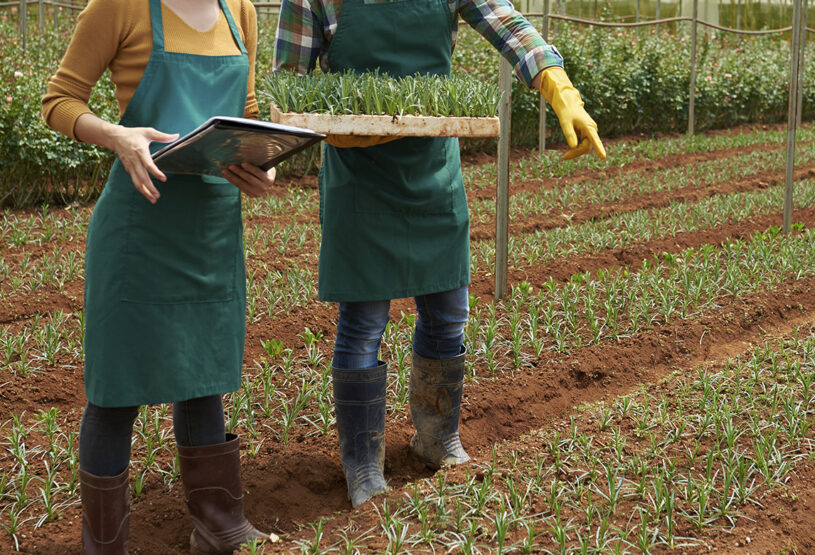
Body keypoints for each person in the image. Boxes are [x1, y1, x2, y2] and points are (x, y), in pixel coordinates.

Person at [273, 0, 606, 508]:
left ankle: (436, 438)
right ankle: (364, 463)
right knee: (364, 320)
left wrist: (557, 82)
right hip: (359, 175)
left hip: (433, 171)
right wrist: (334, 124)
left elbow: (508, 25)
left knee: (448, 314)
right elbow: (288, 84)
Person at [42, 0, 276, 551]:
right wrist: (116, 136)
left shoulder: (240, 9)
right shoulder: (118, 7)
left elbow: (244, 108)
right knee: (116, 389)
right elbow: (58, 100)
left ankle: (220, 526)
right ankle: (105, 543)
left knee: (204, 377)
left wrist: (261, 160)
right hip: (139, 226)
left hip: (211, 227)